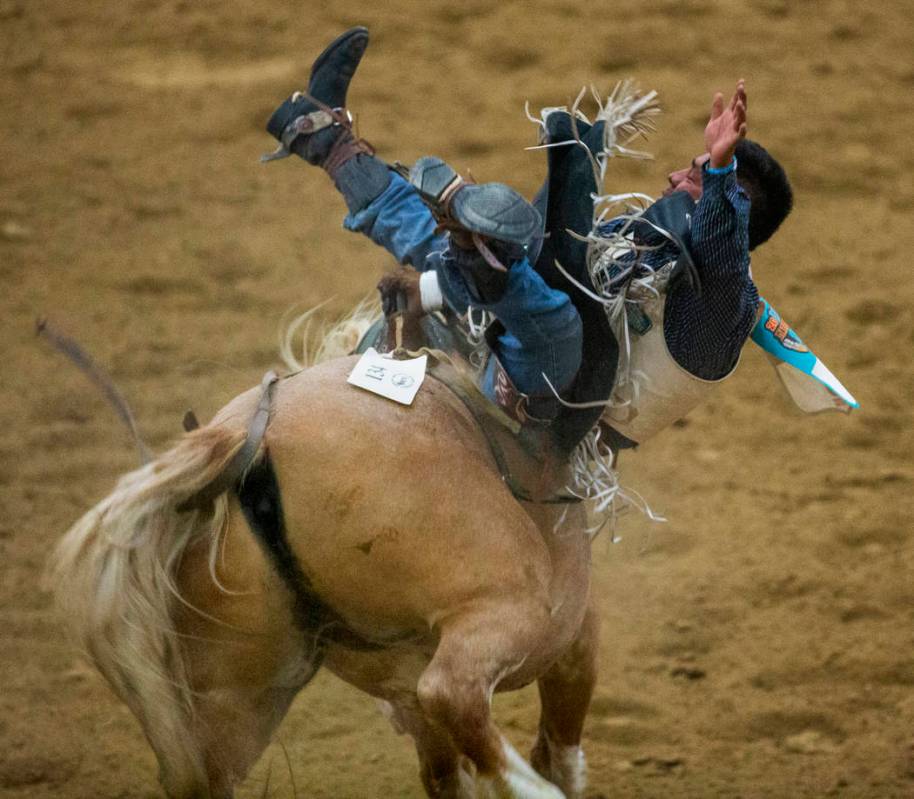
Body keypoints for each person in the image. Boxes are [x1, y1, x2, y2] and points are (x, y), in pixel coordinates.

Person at [263, 27, 794, 455]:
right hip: (509, 345)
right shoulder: (646, 242)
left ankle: (480, 259)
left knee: (558, 316)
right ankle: (325, 138)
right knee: (451, 239)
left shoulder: (725, 300)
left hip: (553, 412)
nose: (676, 177)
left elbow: (722, 244)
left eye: (696, 176)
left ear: (733, 207)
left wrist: (721, 170)